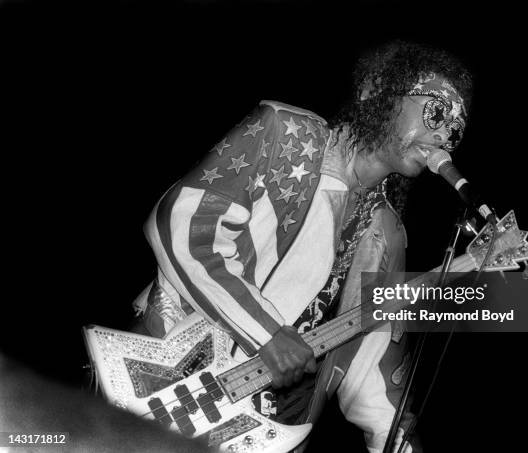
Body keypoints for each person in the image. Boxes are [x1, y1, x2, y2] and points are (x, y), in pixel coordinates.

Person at [131, 40, 472, 453]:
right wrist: (268, 335)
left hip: (264, 434)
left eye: (459, 126)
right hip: (167, 384)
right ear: (376, 90)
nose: (447, 135)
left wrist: (397, 440)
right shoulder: (287, 135)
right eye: (438, 111)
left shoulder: (387, 234)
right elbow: (184, 226)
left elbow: (373, 373)